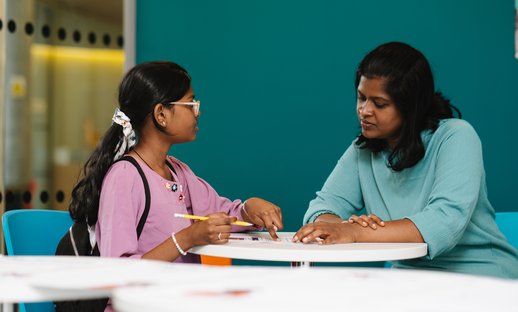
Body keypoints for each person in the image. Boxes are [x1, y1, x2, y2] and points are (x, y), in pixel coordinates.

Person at [293, 42, 518, 279]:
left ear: (411, 106)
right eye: (361, 98)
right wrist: (332, 226)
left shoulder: (456, 136)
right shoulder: (363, 149)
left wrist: (356, 231)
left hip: (483, 276)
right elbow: (322, 206)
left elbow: (444, 222)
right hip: (409, 279)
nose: (365, 111)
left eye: (379, 104)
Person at [69, 61, 283, 264]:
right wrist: (187, 238)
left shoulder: (178, 172)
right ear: (161, 114)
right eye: (191, 104)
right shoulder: (124, 177)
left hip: (178, 298)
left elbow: (222, 215)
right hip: (139, 303)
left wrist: (247, 209)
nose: (197, 112)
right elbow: (118, 270)